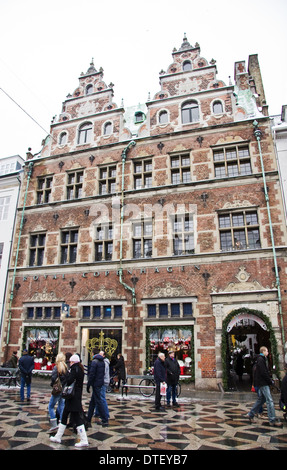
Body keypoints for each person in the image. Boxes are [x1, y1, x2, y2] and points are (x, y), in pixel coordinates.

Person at [50, 354, 89, 447]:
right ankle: (58, 436)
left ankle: (84, 439)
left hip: (73, 397)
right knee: (64, 416)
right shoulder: (80, 369)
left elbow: (69, 380)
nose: (69, 363)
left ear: (73, 362)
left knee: (77, 418)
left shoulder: (75, 370)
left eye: (70, 362)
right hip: (73, 397)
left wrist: (67, 375)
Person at [247, 346, 281, 427]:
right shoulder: (261, 360)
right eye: (267, 351)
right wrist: (270, 381)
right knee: (270, 401)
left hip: (261, 382)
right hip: (263, 383)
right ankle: (272, 420)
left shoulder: (260, 359)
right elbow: (263, 372)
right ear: (263, 351)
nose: (268, 352)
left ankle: (250, 414)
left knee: (261, 400)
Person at [87, 351, 109, 427]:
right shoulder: (102, 362)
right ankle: (88, 418)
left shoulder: (94, 362)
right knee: (93, 402)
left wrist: (88, 384)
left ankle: (105, 419)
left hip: (95, 384)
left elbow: (92, 374)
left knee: (99, 401)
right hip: (99, 383)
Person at [48, 352, 68, 432]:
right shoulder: (66, 367)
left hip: (57, 390)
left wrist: (53, 385)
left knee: (51, 406)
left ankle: (54, 423)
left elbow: (53, 378)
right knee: (61, 406)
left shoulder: (56, 367)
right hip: (63, 390)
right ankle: (62, 423)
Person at [94, 351, 110, 421]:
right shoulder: (102, 362)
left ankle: (106, 414)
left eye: (100, 354)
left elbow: (103, 373)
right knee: (98, 397)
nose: (99, 356)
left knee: (102, 398)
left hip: (103, 382)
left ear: (104, 356)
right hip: (102, 381)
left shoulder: (104, 363)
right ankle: (97, 412)